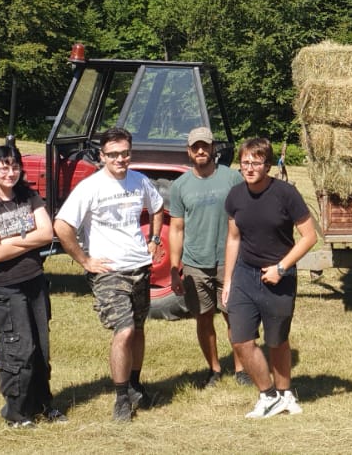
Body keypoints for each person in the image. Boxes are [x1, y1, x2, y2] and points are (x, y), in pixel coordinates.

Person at [53, 127, 166, 423]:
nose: (120, 159)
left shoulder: (139, 181)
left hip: (139, 266)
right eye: (113, 154)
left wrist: (155, 240)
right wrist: (84, 260)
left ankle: (135, 384)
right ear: (102, 156)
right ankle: (120, 398)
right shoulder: (90, 187)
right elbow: (62, 225)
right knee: (125, 330)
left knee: (139, 329)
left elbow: (157, 207)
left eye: (125, 153)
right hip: (109, 272)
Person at [221, 137, 318, 419]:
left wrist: (282, 267)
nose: (249, 168)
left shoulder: (285, 194)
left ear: (267, 164)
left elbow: (309, 236)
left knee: (277, 340)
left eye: (256, 162)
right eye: (245, 162)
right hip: (244, 275)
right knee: (240, 340)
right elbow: (233, 238)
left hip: (280, 276)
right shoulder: (235, 196)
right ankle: (268, 394)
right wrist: (228, 280)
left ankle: (285, 393)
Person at [0, 144, 63, 428]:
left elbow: (48, 233)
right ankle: (16, 413)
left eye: (14, 166)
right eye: (4, 167)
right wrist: (28, 237)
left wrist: (10, 241)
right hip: (4, 288)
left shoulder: (29, 196)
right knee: (16, 350)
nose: (10, 172)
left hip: (34, 282)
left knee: (40, 350)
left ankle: (42, 403)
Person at [167, 126, 248, 389]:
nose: (201, 151)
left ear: (214, 148)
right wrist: (173, 267)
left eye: (205, 146)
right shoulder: (180, 186)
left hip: (229, 261)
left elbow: (246, 216)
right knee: (203, 317)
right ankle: (214, 369)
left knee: (233, 316)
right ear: (189, 151)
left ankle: (241, 369)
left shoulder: (232, 178)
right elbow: (177, 229)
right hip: (195, 263)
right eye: (195, 147)